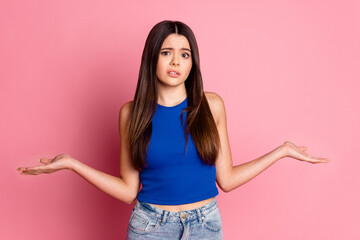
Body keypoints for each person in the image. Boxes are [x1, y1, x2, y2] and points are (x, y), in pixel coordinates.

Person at [17, 20, 329, 240]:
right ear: (152, 58)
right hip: (150, 226)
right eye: (166, 52)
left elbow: (227, 179)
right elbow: (128, 191)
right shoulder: (131, 113)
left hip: (206, 225)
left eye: (185, 54)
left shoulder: (212, 105)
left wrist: (281, 151)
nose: (175, 61)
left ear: (193, 63)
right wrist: (72, 164)